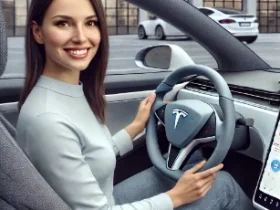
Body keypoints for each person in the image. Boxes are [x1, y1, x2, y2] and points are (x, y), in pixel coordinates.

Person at [15, 0, 256, 209]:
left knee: (191, 164)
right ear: (38, 32)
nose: (81, 36)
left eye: (90, 23)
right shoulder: (47, 119)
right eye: (63, 23)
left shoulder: (64, 92)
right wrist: (175, 198)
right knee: (223, 186)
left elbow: (86, 157)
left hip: (101, 199)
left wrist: (135, 127)